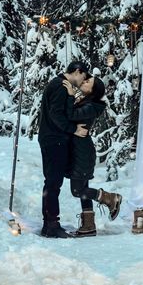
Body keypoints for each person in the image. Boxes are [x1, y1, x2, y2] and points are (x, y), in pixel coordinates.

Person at [62, 76, 122, 237]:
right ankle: (89, 225)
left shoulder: (92, 106)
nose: (84, 81)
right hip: (78, 151)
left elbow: (70, 115)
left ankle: (110, 198)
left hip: (82, 153)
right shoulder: (85, 102)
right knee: (82, 188)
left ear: (93, 91)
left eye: (88, 82)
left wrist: (69, 95)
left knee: (77, 190)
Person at [38, 61, 91, 238]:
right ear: (77, 71)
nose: (83, 80)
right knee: (53, 182)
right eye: (83, 76)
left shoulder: (59, 85)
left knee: (52, 182)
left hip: (52, 139)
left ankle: (50, 223)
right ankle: (51, 224)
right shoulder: (61, 86)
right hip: (55, 140)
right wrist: (74, 129)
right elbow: (57, 114)